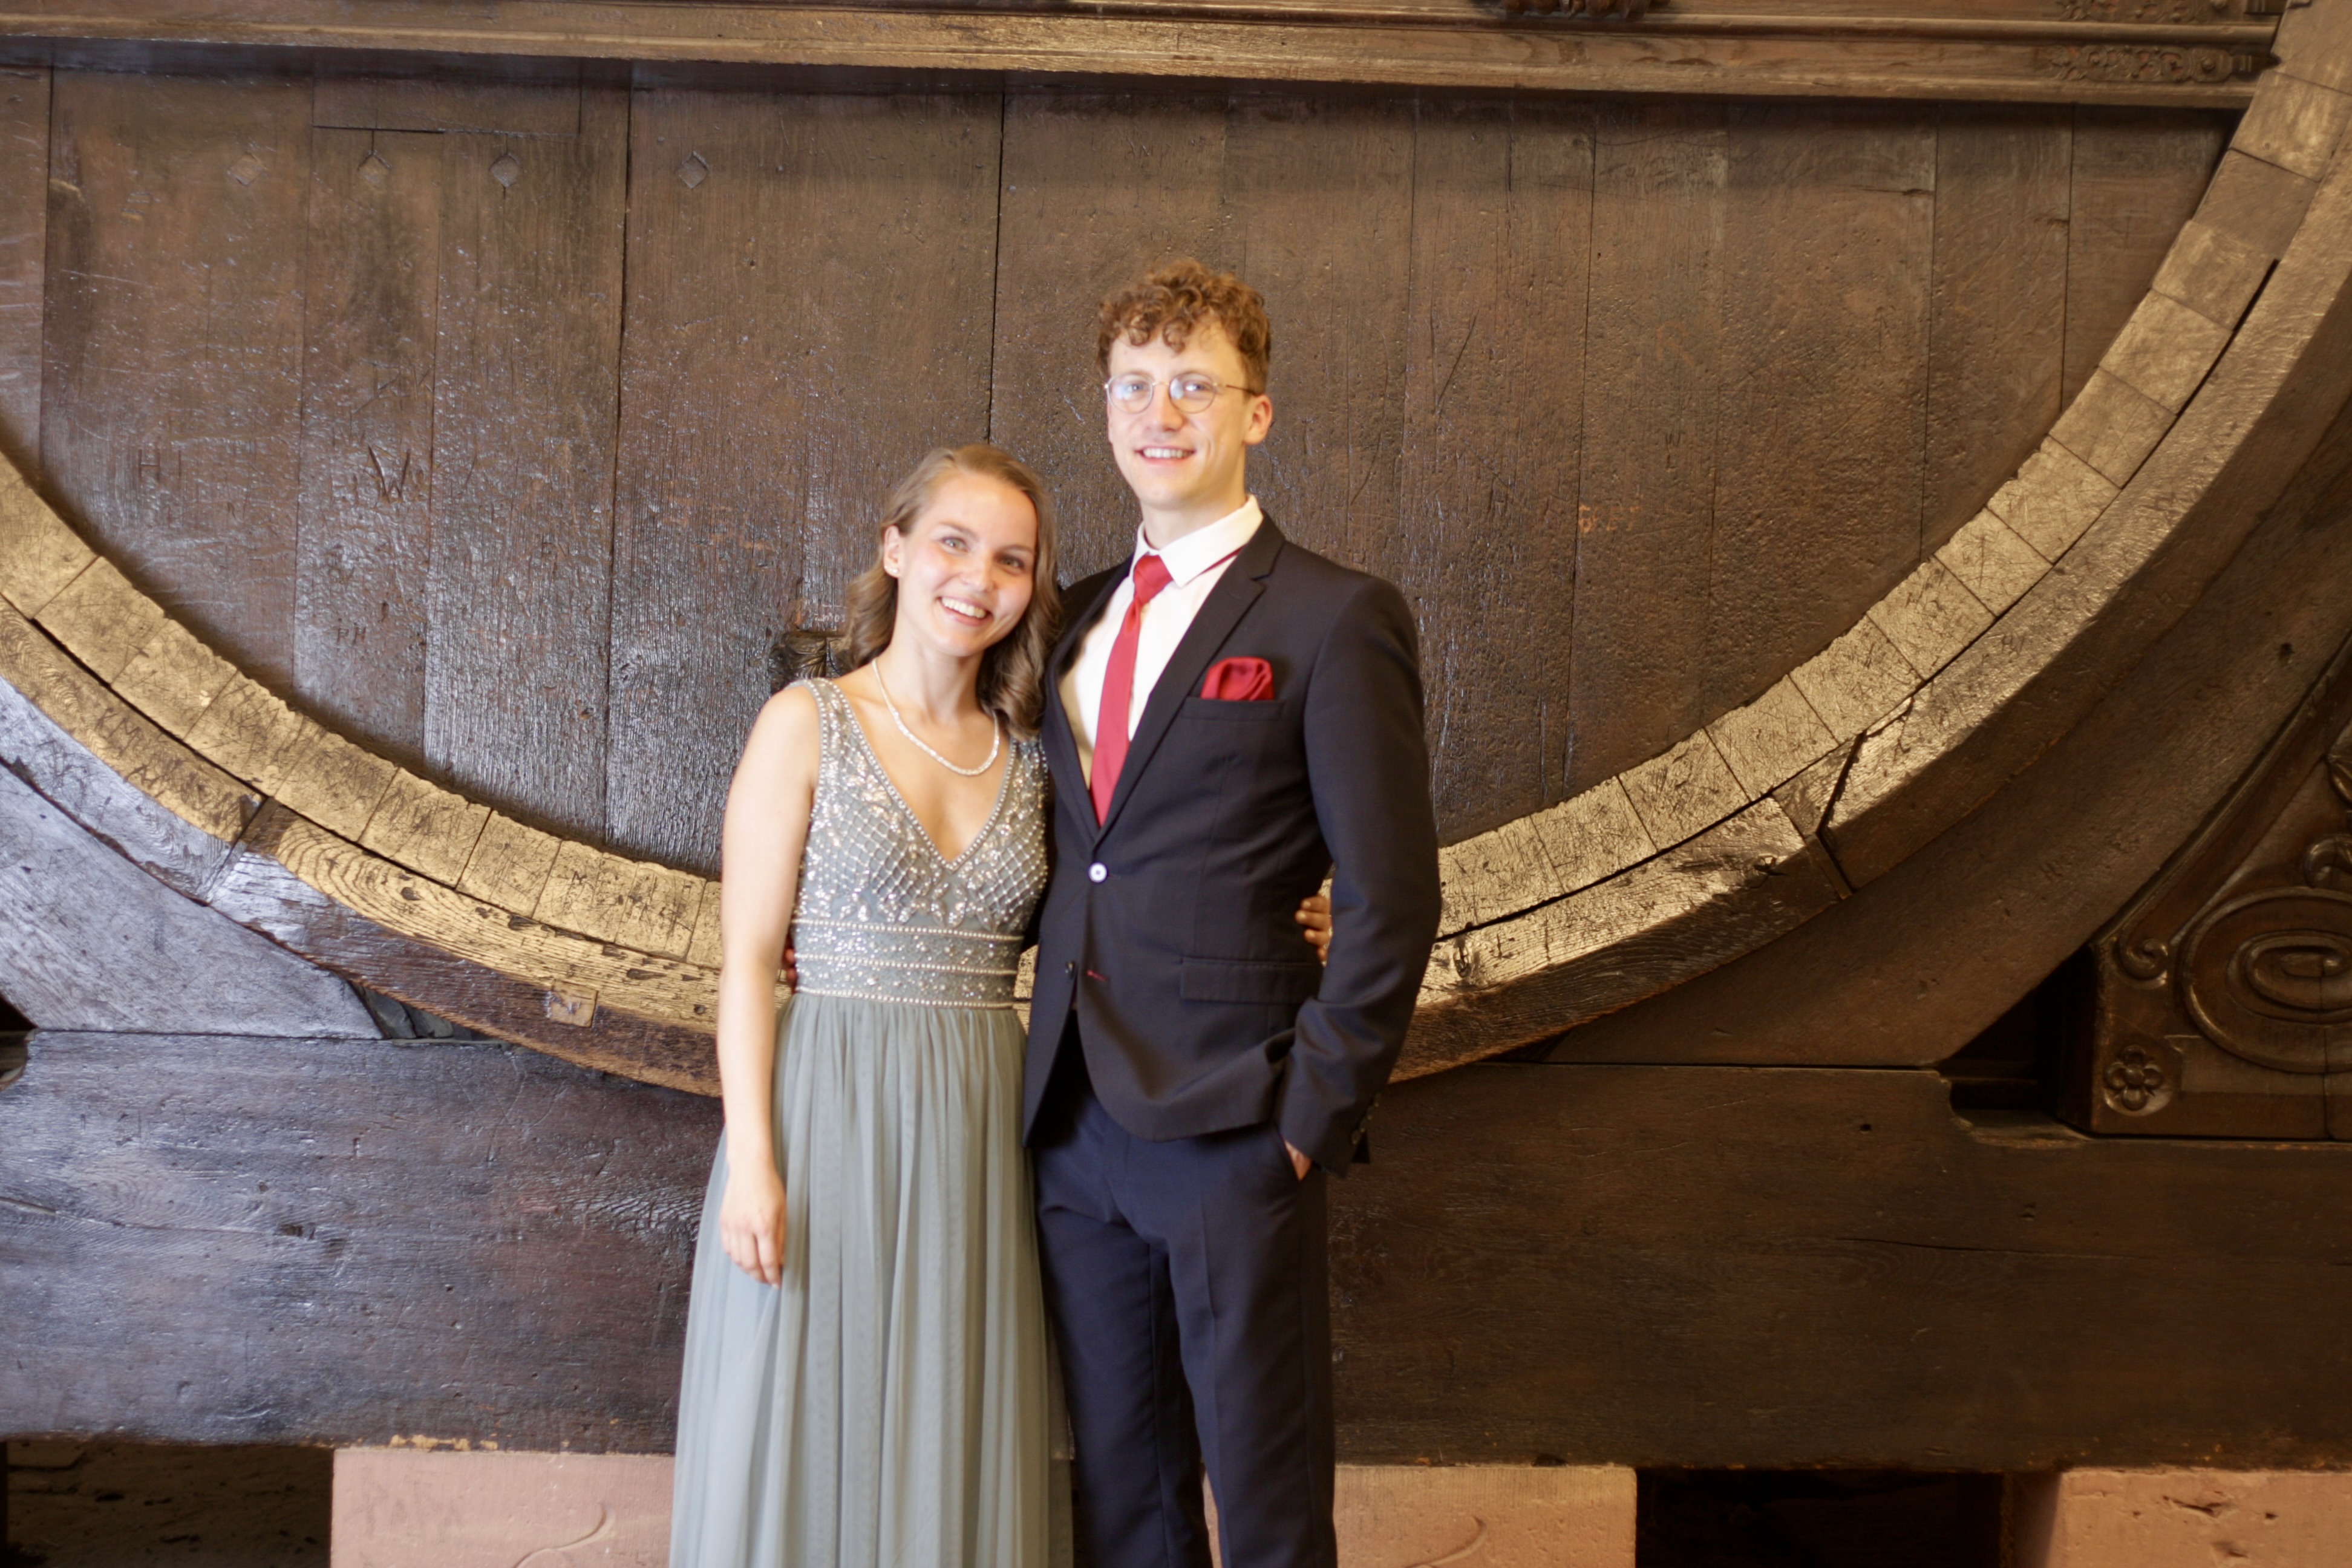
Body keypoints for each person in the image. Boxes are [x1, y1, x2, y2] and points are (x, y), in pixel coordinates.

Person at [668, 442, 1335, 1568]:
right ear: (895, 549)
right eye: (953, 543)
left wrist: (1295, 911)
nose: (978, 579)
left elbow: (1135, 899)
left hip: (984, 1127)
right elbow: (744, 962)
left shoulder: (1038, 757)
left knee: (948, 1414)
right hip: (823, 1112)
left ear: (1035, 586)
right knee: (807, 1406)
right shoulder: (805, 721)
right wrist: (754, 1163)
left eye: (1012, 560)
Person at [1024, 261, 1443, 1568]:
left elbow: (1392, 895)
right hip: (1072, 1126)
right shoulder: (1072, 616)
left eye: (1194, 386)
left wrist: (1313, 1118)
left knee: (1266, 1512)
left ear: (1255, 413)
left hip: (1239, 1124)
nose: (1161, 413)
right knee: (1125, 1503)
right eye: (1134, 386)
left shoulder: (1336, 617)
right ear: (1106, 411)